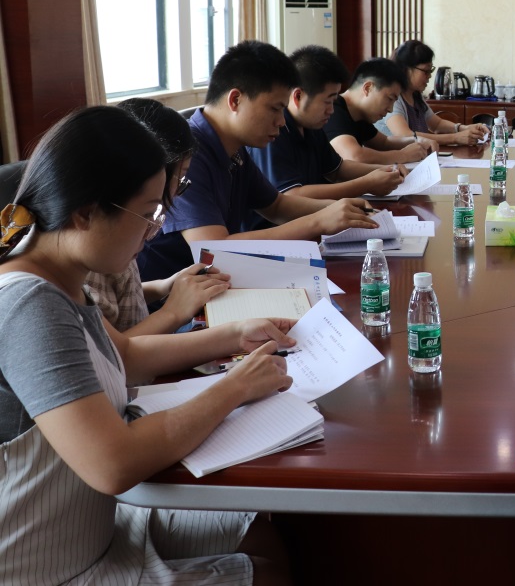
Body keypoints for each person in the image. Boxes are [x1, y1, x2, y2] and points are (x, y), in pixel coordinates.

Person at [0, 106, 294, 585]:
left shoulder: (56, 277)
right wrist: (234, 388)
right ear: (85, 212)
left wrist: (233, 335)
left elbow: (125, 355)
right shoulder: (29, 305)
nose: (154, 230)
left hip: (88, 525)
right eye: (149, 212)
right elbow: (112, 463)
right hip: (46, 565)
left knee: (260, 529)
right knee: (265, 571)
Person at [139, 40, 379, 281]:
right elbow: (213, 247)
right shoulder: (189, 152)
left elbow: (276, 206)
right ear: (235, 100)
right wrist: (318, 221)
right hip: (169, 292)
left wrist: (340, 209)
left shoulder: (234, 149)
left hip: (213, 281)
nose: (282, 121)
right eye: (275, 109)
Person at [83, 98, 233, 336]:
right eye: (180, 177)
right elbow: (115, 351)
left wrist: (165, 286)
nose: (149, 231)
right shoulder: (104, 241)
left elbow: (122, 295)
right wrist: (173, 312)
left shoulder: (121, 228)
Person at [248, 45, 406, 201]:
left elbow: (337, 170)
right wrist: (366, 184)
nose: (331, 110)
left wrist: (386, 170)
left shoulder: (312, 125)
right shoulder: (274, 129)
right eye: (327, 101)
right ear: (298, 97)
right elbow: (291, 195)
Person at [325, 58, 440, 164]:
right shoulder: (333, 109)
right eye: (390, 99)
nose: (390, 109)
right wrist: (403, 155)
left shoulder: (360, 114)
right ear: (368, 88)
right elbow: (354, 156)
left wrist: (418, 140)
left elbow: (384, 143)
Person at [377, 40, 491, 147]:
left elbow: (437, 125)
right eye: (425, 71)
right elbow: (405, 135)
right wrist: (455, 138)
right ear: (406, 69)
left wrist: (464, 128)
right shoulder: (394, 98)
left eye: (430, 71)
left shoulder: (416, 95)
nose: (430, 76)